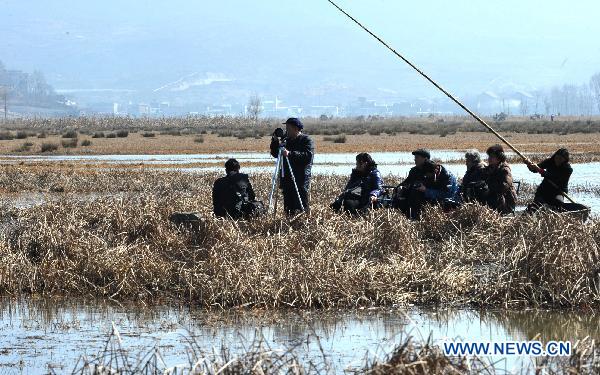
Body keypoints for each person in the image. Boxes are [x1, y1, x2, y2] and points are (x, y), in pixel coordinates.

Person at [270, 117, 314, 215]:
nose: (286, 131)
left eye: (288, 128)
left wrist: (290, 154)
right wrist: (275, 141)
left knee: (300, 202)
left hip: (300, 177)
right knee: (288, 205)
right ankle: (288, 220)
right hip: (287, 177)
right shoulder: (286, 140)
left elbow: (307, 156)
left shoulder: (306, 140)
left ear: (295, 128)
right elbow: (275, 153)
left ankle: (302, 221)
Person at [484, 144, 517, 215]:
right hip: (494, 199)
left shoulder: (505, 170)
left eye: (492, 157)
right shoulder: (490, 168)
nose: (489, 159)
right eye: (489, 156)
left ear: (499, 158)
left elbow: (503, 187)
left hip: (506, 202)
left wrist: (488, 185)